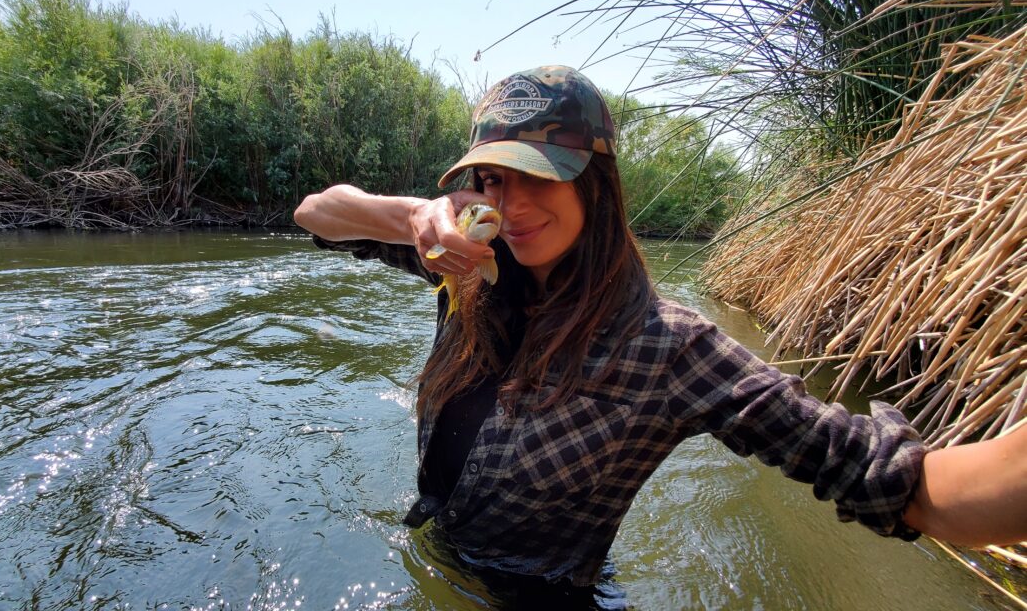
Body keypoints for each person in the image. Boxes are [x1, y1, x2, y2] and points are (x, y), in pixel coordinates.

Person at [293, 65, 1027, 588]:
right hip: (427, 546)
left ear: (596, 180)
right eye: (491, 178)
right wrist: (414, 214)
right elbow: (317, 214)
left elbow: (892, 480)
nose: (510, 204)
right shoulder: (464, 269)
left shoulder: (669, 347)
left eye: (539, 173)